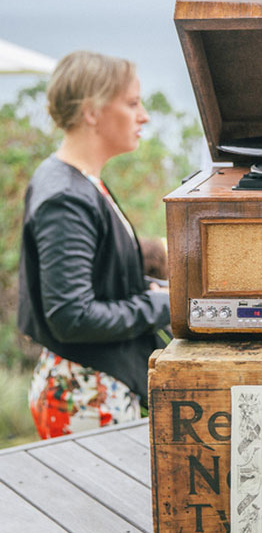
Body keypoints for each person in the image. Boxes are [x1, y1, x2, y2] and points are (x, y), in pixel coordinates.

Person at [18, 51, 171, 439]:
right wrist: (163, 305)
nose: (144, 116)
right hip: (85, 399)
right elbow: (72, 315)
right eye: (132, 103)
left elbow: (104, 281)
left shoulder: (81, 182)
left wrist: (161, 291)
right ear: (91, 112)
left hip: (96, 390)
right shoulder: (65, 199)